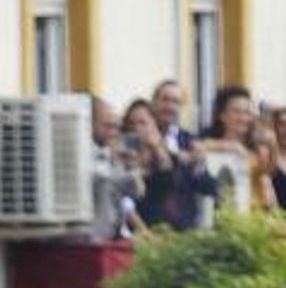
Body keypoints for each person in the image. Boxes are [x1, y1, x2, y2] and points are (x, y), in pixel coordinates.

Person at [124, 100, 202, 231]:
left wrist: (157, 147)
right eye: (131, 124)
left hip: (172, 228)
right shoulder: (124, 160)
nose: (136, 128)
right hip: (140, 230)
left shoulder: (173, 157)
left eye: (142, 123)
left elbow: (168, 179)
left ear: (154, 125)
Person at [197, 86, 272, 217]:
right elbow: (196, 148)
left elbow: (267, 193)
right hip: (213, 218)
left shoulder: (257, 151)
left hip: (251, 219)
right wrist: (233, 146)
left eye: (247, 112)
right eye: (237, 112)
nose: (243, 118)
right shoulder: (207, 143)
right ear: (222, 115)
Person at [89, 96, 146, 240]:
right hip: (92, 238)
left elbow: (136, 192)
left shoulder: (112, 152)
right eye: (108, 126)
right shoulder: (85, 153)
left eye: (117, 127)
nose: (114, 133)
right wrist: (109, 158)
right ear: (89, 124)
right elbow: (102, 179)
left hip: (115, 235)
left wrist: (132, 166)